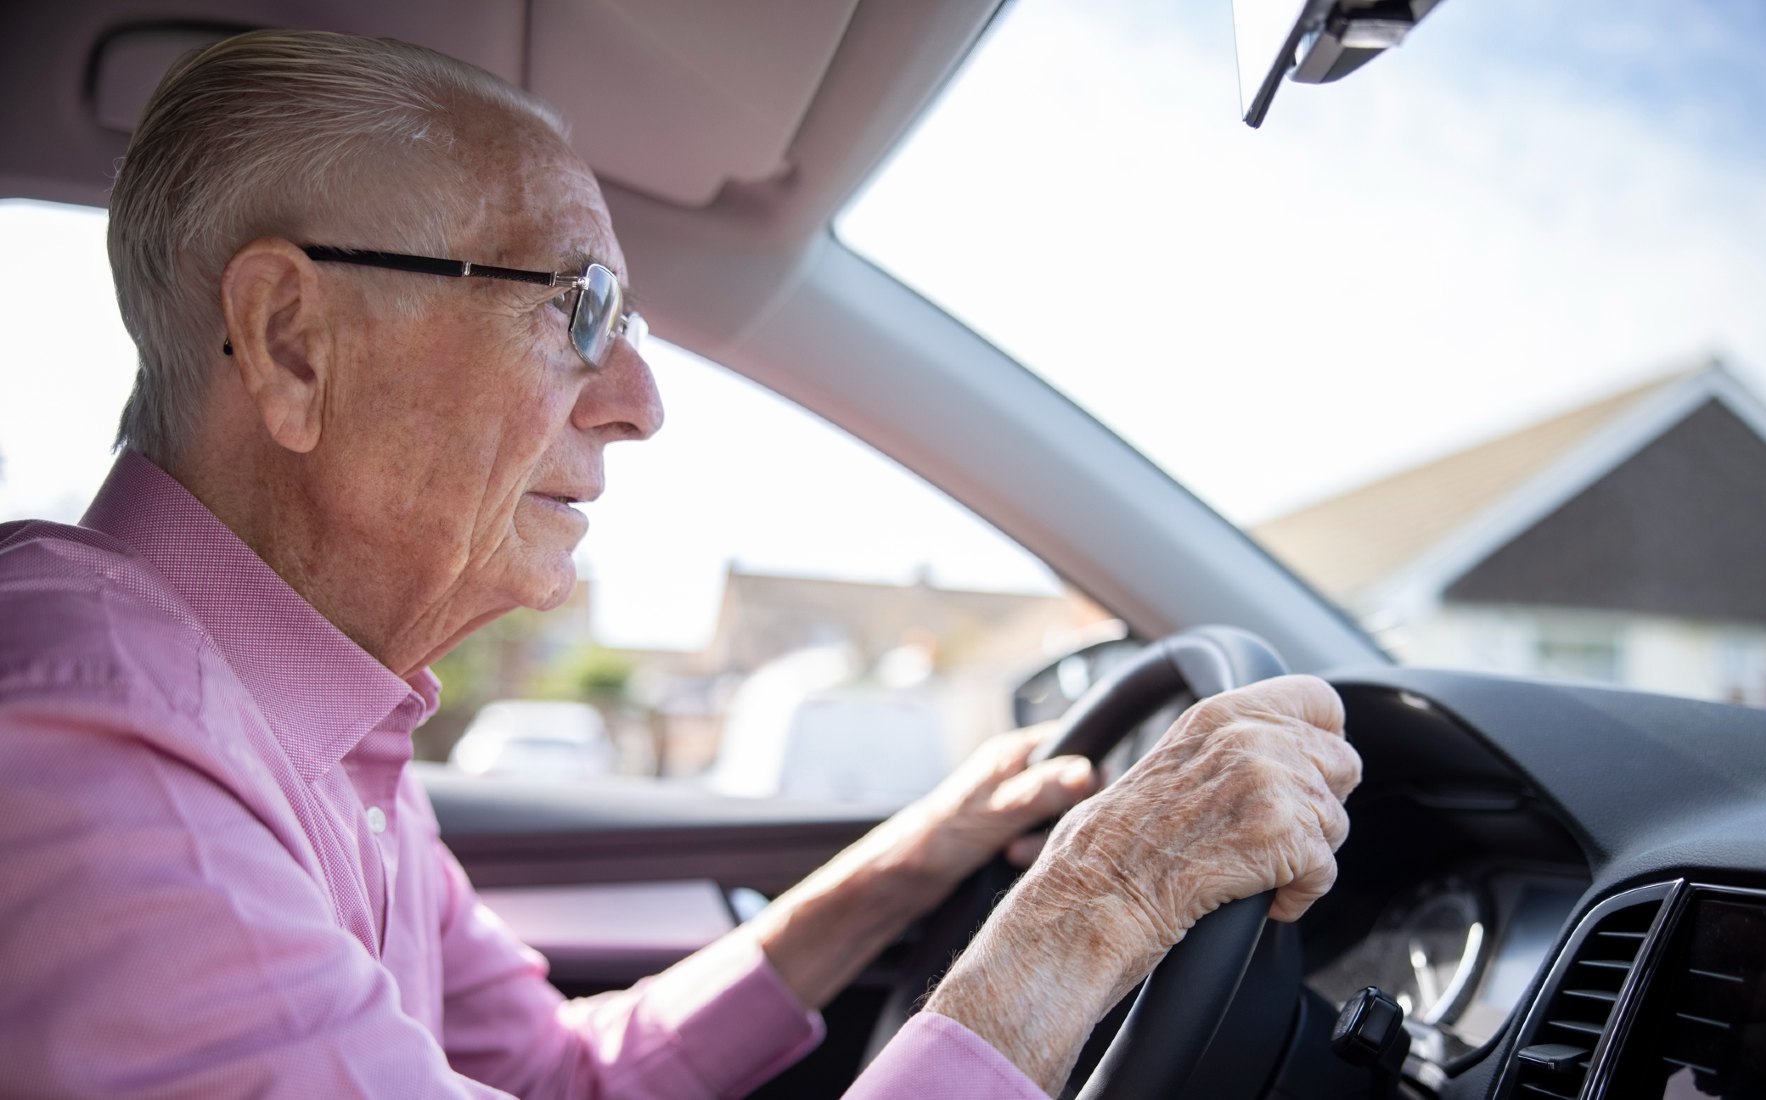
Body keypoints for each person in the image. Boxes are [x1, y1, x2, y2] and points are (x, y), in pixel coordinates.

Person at [0, 30, 1361, 1100]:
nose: (641, 399)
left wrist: (906, 863)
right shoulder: (94, 758)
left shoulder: (301, 715)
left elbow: (557, 1076)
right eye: (579, 307)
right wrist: (1093, 909)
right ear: (296, 340)